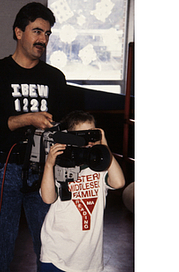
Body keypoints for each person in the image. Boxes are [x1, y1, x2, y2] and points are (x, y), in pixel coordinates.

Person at [0, 2, 69, 272]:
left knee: (49, 240)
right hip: (3, 167)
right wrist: (29, 118)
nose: (43, 39)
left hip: (45, 170)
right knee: (1, 243)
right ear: (18, 32)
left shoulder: (55, 77)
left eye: (48, 34)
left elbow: (63, 121)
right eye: (37, 31)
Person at [40, 110, 125, 272]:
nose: (89, 142)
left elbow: (119, 182)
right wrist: (49, 165)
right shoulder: (61, 164)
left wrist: (104, 146)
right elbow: (48, 198)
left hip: (89, 258)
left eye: (92, 135)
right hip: (57, 254)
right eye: (83, 137)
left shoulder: (99, 167)